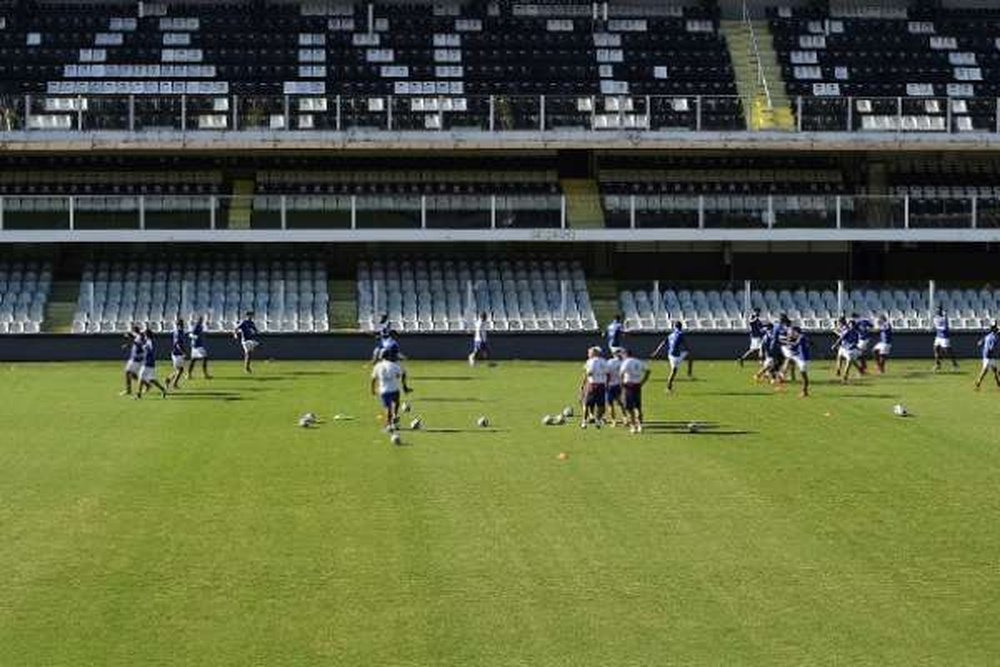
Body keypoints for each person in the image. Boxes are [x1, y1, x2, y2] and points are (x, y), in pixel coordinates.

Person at [370, 347, 411, 433]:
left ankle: (389, 425)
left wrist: (372, 390)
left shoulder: (377, 366)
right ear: (389, 356)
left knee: (387, 408)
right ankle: (395, 417)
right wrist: (403, 385)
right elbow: (402, 374)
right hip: (395, 389)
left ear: (381, 356)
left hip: (384, 391)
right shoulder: (394, 365)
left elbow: (373, 379)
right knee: (396, 403)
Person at [650, 321, 692, 393]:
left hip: (671, 355)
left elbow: (663, 343)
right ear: (681, 327)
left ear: (674, 327)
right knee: (674, 371)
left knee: (688, 357)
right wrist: (689, 349)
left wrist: (656, 352)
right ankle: (668, 388)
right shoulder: (680, 334)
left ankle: (689, 373)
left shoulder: (671, 335)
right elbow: (685, 344)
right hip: (675, 355)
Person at [619, 348, 650, 434]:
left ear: (625, 354)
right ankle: (640, 426)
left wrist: (622, 385)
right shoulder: (639, 361)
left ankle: (633, 426)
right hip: (637, 385)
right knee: (638, 407)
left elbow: (621, 374)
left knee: (629, 408)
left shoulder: (626, 362)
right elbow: (648, 371)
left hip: (628, 386)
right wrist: (643, 381)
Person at [579, 346, 608, 428]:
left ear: (594, 353)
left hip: (592, 384)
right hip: (602, 385)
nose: (588, 354)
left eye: (589, 353)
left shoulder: (590, 361)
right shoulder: (604, 361)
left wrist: (582, 384)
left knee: (586, 403)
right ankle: (598, 421)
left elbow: (588, 373)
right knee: (600, 404)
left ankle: (584, 422)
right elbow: (608, 373)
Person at [136, 327, 168, 399]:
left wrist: (145, 349)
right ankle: (163, 390)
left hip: (148, 363)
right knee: (151, 379)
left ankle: (138, 395)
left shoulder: (150, 341)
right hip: (149, 363)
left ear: (147, 335)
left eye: (144, 334)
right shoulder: (148, 341)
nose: (144, 335)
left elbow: (151, 350)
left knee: (141, 377)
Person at [832, 318, 865, 383]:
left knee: (849, 361)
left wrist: (835, 345)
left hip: (851, 349)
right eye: (850, 325)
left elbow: (841, 338)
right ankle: (838, 370)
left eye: (852, 325)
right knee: (840, 356)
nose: (851, 326)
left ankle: (845, 375)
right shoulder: (849, 330)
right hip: (844, 347)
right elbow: (842, 336)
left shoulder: (854, 332)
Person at [787, 325, 811, 397]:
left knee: (804, 376)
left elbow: (795, 345)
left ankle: (804, 392)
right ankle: (787, 374)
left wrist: (787, 343)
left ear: (796, 331)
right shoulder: (801, 337)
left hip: (803, 359)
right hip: (801, 358)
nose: (791, 333)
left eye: (792, 332)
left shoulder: (801, 337)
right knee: (790, 360)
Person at [974, 322, 1000, 390]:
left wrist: (980, 342)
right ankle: (978, 382)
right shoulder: (994, 337)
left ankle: (998, 383)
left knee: (995, 370)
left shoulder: (990, 335)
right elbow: (991, 347)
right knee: (985, 370)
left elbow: (982, 341)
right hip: (989, 356)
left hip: (988, 355)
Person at [120, 325, 144, 396]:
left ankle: (128, 390)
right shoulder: (137, 337)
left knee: (127, 372)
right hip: (134, 358)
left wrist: (131, 338)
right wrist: (128, 345)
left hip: (136, 359)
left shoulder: (140, 337)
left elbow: (139, 345)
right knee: (132, 375)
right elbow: (135, 344)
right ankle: (146, 384)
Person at [186, 315, 212, 380]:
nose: (202, 321)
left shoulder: (200, 326)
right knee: (205, 358)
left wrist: (208, 324)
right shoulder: (196, 326)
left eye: (202, 320)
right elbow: (190, 334)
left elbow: (206, 329)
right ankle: (205, 374)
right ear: (199, 320)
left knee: (193, 360)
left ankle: (189, 374)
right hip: (197, 346)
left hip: (197, 345)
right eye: (201, 320)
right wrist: (195, 337)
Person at [605, 347, 625, 426]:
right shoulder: (624, 362)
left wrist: (606, 384)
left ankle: (614, 421)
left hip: (611, 385)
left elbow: (607, 374)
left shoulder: (610, 362)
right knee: (620, 403)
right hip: (620, 385)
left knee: (611, 404)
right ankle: (625, 418)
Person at [167, 317, 186, 390]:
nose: (182, 325)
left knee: (180, 370)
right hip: (177, 353)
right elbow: (177, 344)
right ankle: (173, 383)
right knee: (180, 370)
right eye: (181, 324)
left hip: (177, 353)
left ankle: (169, 380)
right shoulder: (178, 332)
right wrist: (182, 351)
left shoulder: (179, 331)